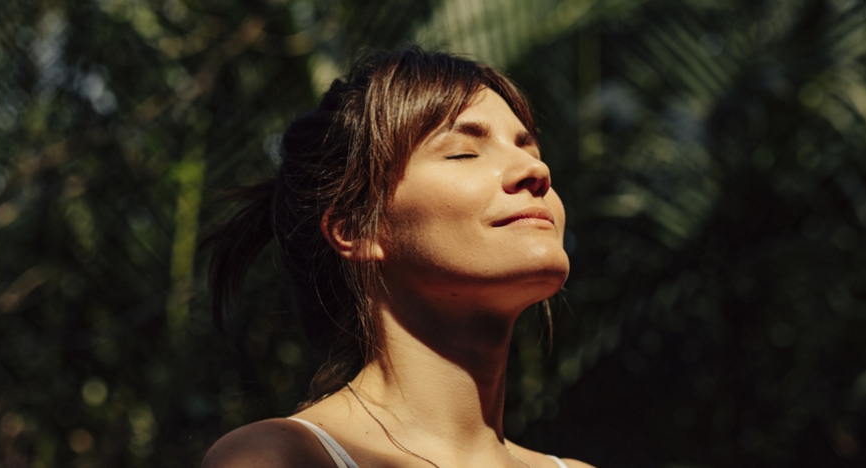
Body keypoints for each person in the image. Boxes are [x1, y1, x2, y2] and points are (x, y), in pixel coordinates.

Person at [201, 47, 592, 468]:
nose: (536, 172)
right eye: (463, 152)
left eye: (531, 152)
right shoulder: (281, 457)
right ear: (356, 229)